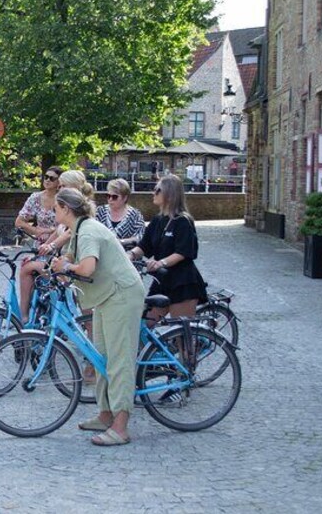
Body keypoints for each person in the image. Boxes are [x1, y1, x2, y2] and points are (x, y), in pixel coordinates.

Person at [52, 188, 145, 446]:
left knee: (119, 360)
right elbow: (72, 257)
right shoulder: (80, 229)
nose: (53, 212)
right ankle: (105, 414)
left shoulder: (89, 230)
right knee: (102, 358)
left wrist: (67, 267)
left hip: (121, 295)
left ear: (66, 209)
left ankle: (120, 427)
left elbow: (88, 267)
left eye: (56, 208)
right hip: (107, 296)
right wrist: (60, 264)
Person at [128, 174, 208, 319]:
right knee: (142, 326)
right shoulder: (157, 220)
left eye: (157, 190)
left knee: (180, 335)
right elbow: (144, 245)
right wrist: (130, 255)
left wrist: (161, 263)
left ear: (169, 195)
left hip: (182, 283)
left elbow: (182, 252)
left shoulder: (183, 221)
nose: (154, 193)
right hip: (162, 281)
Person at [15, 166, 63, 322]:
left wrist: (50, 231)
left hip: (60, 246)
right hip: (41, 246)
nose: (47, 180)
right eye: (46, 177)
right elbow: (19, 221)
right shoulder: (36, 198)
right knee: (26, 267)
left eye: (52, 178)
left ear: (58, 183)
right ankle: (23, 315)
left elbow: (65, 228)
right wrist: (35, 230)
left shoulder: (62, 200)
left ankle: (57, 313)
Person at [96, 178, 145, 248]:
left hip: (126, 256)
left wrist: (122, 242)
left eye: (114, 197)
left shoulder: (135, 215)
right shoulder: (100, 211)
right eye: (108, 196)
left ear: (125, 198)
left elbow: (140, 237)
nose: (110, 199)